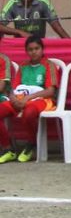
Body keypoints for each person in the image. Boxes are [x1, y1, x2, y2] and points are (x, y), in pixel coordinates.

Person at [0, 35, 59, 164]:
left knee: (29, 112)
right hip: (20, 99)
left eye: (36, 48)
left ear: (42, 49)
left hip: (42, 100)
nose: (33, 52)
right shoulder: (23, 66)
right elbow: (14, 88)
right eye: (30, 49)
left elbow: (50, 91)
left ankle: (31, 144)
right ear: (26, 51)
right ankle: (8, 149)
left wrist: (28, 98)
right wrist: (13, 98)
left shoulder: (49, 65)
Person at [0, 0, 71, 40]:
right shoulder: (12, 4)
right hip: (20, 45)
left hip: (38, 46)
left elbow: (57, 27)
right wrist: (20, 32)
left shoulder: (43, 3)